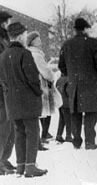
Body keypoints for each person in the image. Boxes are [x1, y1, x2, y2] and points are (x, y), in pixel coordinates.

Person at [0, 22, 48, 177]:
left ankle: (21, 166)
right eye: (26, 35)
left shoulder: (3, 55)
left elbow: (2, 80)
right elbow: (33, 78)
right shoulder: (24, 54)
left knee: (19, 133)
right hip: (27, 101)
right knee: (32, 133)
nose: (26, 37)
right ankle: (30, 166)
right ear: (20, 36)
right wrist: (38, 92)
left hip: (11, 102)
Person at [59, 18, 97, 150]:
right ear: (85, 29)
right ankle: (90, 142)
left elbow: (61, 66)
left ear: (75, 29)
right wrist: (96, 74)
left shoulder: (66, 44)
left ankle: (76, 141)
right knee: (91, 113)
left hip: (73, 84)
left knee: (75, 113)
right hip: (90, 83)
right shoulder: (93, 43)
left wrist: (72, 75)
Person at [26, 32, 57, 145]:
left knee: (39, 112)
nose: (41, 42)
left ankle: (42, 135)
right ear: (33, 41)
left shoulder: (27, 52)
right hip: (42, 85)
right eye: (38, 40)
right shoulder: (37, 55)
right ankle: (44, 134)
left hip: (33, 85)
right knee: (46, 110)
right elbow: (45, 71)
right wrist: (52, 76)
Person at [0, 12, 14, 175]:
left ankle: (4, 158)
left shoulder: (6, 39)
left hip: (8, 88)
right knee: (3, 125)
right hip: (2, 89)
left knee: (10, 125)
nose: (8, 24)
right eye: (7, 21)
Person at [55, 74, 72, 144]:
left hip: (60, 102)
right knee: (69, 120)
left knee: (62, 119)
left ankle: (59, 135)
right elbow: (69, 92)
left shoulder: (59, 79)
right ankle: (68, 136)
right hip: (67, 103)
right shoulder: (68, 79)